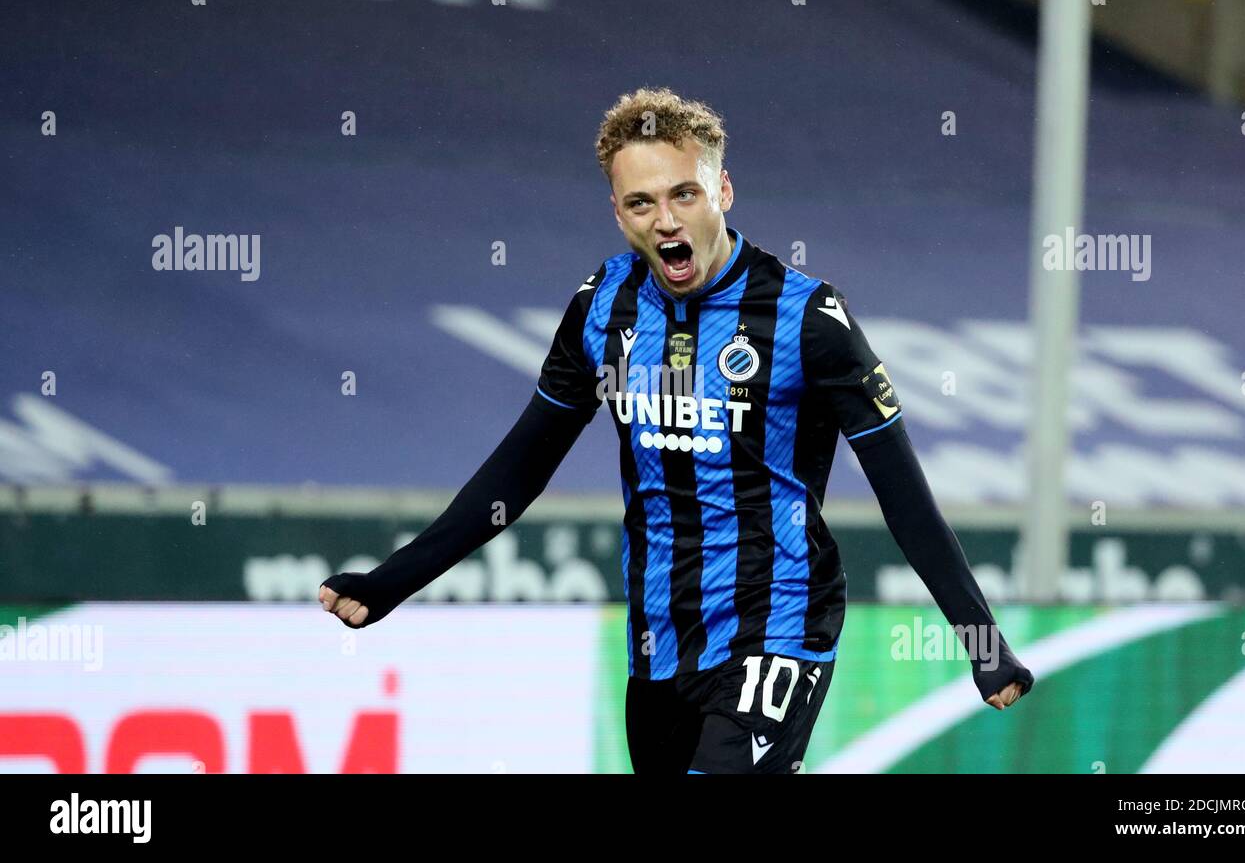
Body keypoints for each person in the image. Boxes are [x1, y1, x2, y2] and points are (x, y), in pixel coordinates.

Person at [320, 87, 1034, 774]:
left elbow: (904, 495)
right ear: (617, 212)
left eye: (683, 194)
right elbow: (519, 469)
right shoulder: (605, 307)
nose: (666, 220)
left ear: (722, 192)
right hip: (657, 647)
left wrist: (980, 637)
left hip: (778, 625)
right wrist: (393, 580)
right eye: (642, 203)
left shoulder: (808, 319)